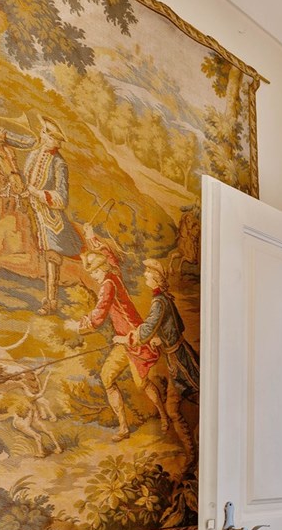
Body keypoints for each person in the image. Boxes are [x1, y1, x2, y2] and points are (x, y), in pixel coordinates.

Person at [74, 242, 152, 441]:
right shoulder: (114, 273)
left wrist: (78, 326)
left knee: (142, 384)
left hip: (134, 339)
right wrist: (92, 238)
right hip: (122, 342)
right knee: (107, 377)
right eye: (92, 272)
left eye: (95, 272)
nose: (94, 276)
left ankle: (164, 416)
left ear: (103, 268)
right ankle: (123, 427)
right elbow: (110, 256)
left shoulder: (108, 284)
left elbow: (99, 314)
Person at [127, 258, 199, 450]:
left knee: (193, 397)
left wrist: (130, 337)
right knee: (179, 404)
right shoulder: (164, 298)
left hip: (179, 359)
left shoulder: (159, 302)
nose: (145, 275)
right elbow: (178, 326)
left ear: (156, 277)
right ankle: (191, 453)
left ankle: (195, 450)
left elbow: (147, 329)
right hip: (178, 354)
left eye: (148, 272)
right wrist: (162, 338)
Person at [24, 118, 83, 314]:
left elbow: (62, 199)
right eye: (46, 134)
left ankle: (51, 301)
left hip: (47, 212)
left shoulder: (60, 164)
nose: (46, 138)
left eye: (52, 137)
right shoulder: (33, 154)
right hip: (26, 201)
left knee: (51, 250)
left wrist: (37, 194)